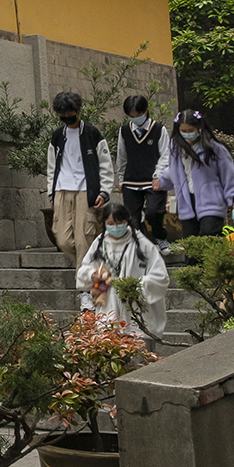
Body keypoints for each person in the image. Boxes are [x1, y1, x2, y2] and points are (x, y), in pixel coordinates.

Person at [77, 203, 168, 340]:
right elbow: (84, 269)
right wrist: (93, 274)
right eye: (111, 223)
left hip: (135, 310)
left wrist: (135, 286)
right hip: (108, 308)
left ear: (127, 221)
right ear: (105, 224)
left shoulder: (142, 244)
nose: (115, 227)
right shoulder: (100, 242)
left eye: (119, 223)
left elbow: (160, 277)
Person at [46, 92, 114, 265]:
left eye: (69, 114)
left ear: (79, 110)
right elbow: (52, 166)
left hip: (85, 191)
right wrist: (51, 193)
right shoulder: (58, 136)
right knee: (63, 240)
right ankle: (90, 264)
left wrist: (104, 191)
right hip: (61, 191)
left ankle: (84, 287)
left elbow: (105, 164)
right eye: (63, 115)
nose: (66, 117)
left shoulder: (92, 134)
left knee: (84, 239)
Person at [160, 110, 234, 237]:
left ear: (199, 128)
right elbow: (174, 169)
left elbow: (229, 175)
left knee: (209, 235)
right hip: (187, 201)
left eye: (191, 130)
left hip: (211, 201)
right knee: (191, 241)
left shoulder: (214, 149)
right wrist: (162, 181)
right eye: (184, 131)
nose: (187, 134)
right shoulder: (175, 149)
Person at [115, 95, 171, 250]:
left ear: (146, 110)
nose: (135, 119)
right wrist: (121, 179)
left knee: (154, 212)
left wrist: (158, 176)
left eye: (138, 115)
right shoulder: (125, 131)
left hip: (153, 181)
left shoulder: (159, 130)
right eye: (131, 116)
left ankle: (160, 236)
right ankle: (142, 244)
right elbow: (122, 156)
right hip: (131, 180)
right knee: (132, 218)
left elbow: (165, 155)